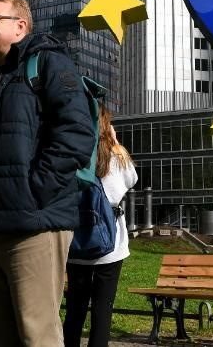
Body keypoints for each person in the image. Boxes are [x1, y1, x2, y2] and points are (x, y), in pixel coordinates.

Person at [0, 0, 96, 345]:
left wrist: (34, 191)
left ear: (20, 26)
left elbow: (77, 133)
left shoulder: (49, 63)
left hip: (35, 223)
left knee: (38, 335)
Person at [63, 109, 138, 346]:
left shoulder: (72, 152)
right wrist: (115, 143)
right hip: (110, 247)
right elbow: (132, 180)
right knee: (102, 309)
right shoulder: (115, 157)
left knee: (74, 309)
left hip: (76, 243)